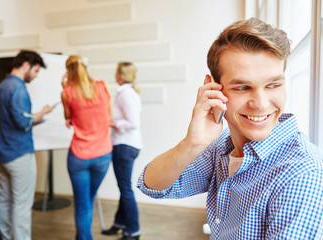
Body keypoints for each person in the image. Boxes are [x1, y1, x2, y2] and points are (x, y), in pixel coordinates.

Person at [137, 18, 323, 239]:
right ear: (213, 88)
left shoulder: (302, 174)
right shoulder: (223, 146)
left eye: (273, 85)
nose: (261, 103)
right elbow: (153, 185)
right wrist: (192, 143)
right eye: (243, 87)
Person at [0, 50, 55, 240]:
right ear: (26, 65)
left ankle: (4, 237)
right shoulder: (18, 89)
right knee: (21, 204)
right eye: (35, 71)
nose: (35, 76)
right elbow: (22, 122)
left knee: (4, 200)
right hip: (19, 155)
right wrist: (42, 113)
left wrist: (33, 118)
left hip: (3, 155)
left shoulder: (2, 86)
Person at [61, 55, 112, 240]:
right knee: (88, 200)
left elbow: (68, 118)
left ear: (69, 71)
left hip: (79, 156)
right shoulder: (102, 86)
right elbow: (109, 117)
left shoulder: (67, 92)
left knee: (83, 204)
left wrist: (64, 88)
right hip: (103, 155)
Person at [102, 62, 143, 240]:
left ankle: (133, 230)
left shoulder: (125, 94)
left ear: (120, 75)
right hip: (130, 145)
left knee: (125, 189)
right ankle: (119, 224)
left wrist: (113, 124)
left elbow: (133, 123)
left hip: (123, 146)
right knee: (124, 187)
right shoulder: (129, 92)